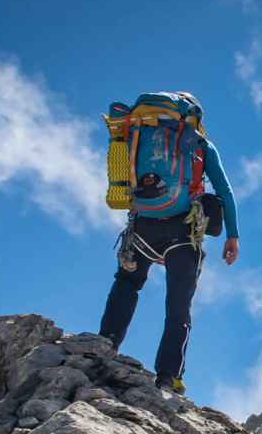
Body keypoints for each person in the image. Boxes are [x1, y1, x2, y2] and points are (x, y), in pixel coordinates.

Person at [98, 95, 239, 395]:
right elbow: (225, 191)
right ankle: (168, 376)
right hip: (183, 232)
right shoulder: (200, 145)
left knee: (127, 283)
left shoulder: (139, 133)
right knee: (178, 306)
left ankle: (104, 344)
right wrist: (232, 235)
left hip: (142, 227)